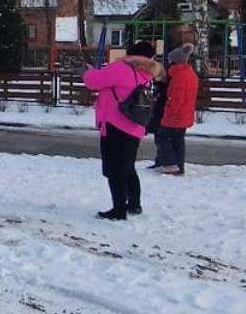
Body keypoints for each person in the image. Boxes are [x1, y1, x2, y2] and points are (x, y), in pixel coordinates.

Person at [82, 41, 164, 219]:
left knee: (114, 169)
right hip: (135, 124)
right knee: (128, 166)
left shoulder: (121, 68)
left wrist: (88, 72)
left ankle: (118, 209)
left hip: (116, 122)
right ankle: (134, 204)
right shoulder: (147, 72)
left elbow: (93, 82)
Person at [154, 43, 199, 175]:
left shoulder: (179, 77)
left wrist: (171, 114)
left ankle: (170, 164)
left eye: (170, 60)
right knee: (178, 140)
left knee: (161, 137)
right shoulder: (190, 74)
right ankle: (179, 166)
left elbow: (176, 99)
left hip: (176, 115)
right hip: (186, 114)